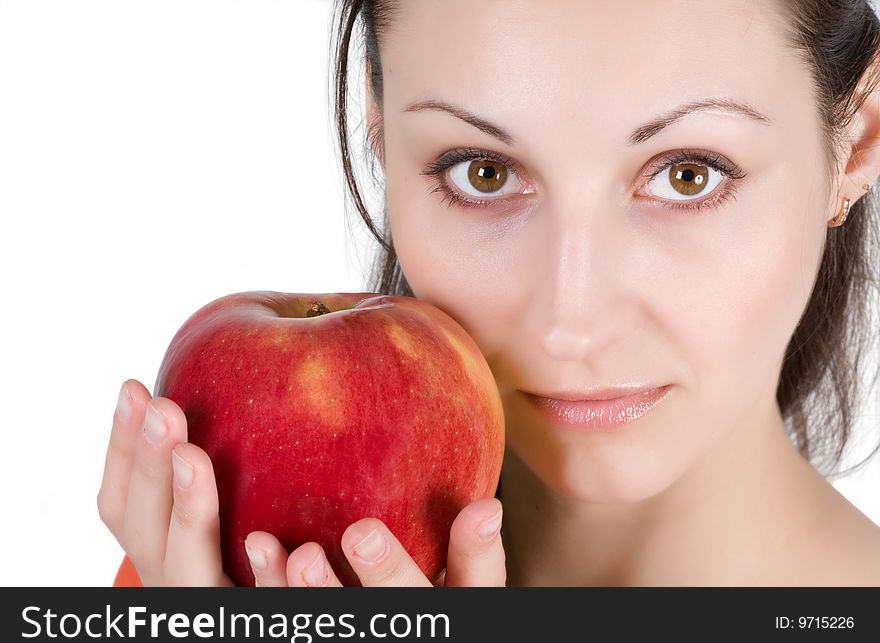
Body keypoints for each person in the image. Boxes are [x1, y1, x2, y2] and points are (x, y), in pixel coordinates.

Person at [100, 0, 880, 587]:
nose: (570, 320)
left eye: (689, 175)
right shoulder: (212, 590)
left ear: (858, 140)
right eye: (484, 172)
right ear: (380, 126)